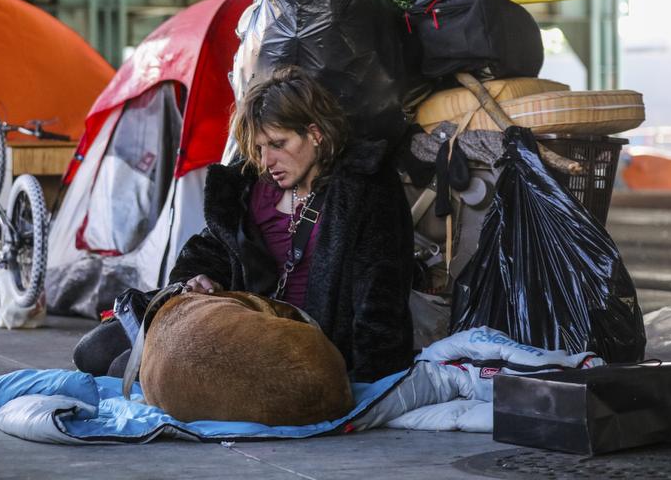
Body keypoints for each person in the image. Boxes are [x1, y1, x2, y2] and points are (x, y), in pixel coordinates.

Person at [73, 66, 415, 384]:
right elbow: (211, 249)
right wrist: (199, 279)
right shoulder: (252, 185)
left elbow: (380, 295)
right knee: (92, 351)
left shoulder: (365, 188)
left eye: (279, 144)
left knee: (125, 370)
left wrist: (364, 379)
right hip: (236, 316)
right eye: (260, 147)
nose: (267, 161)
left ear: (316, 134)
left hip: (299, 342)